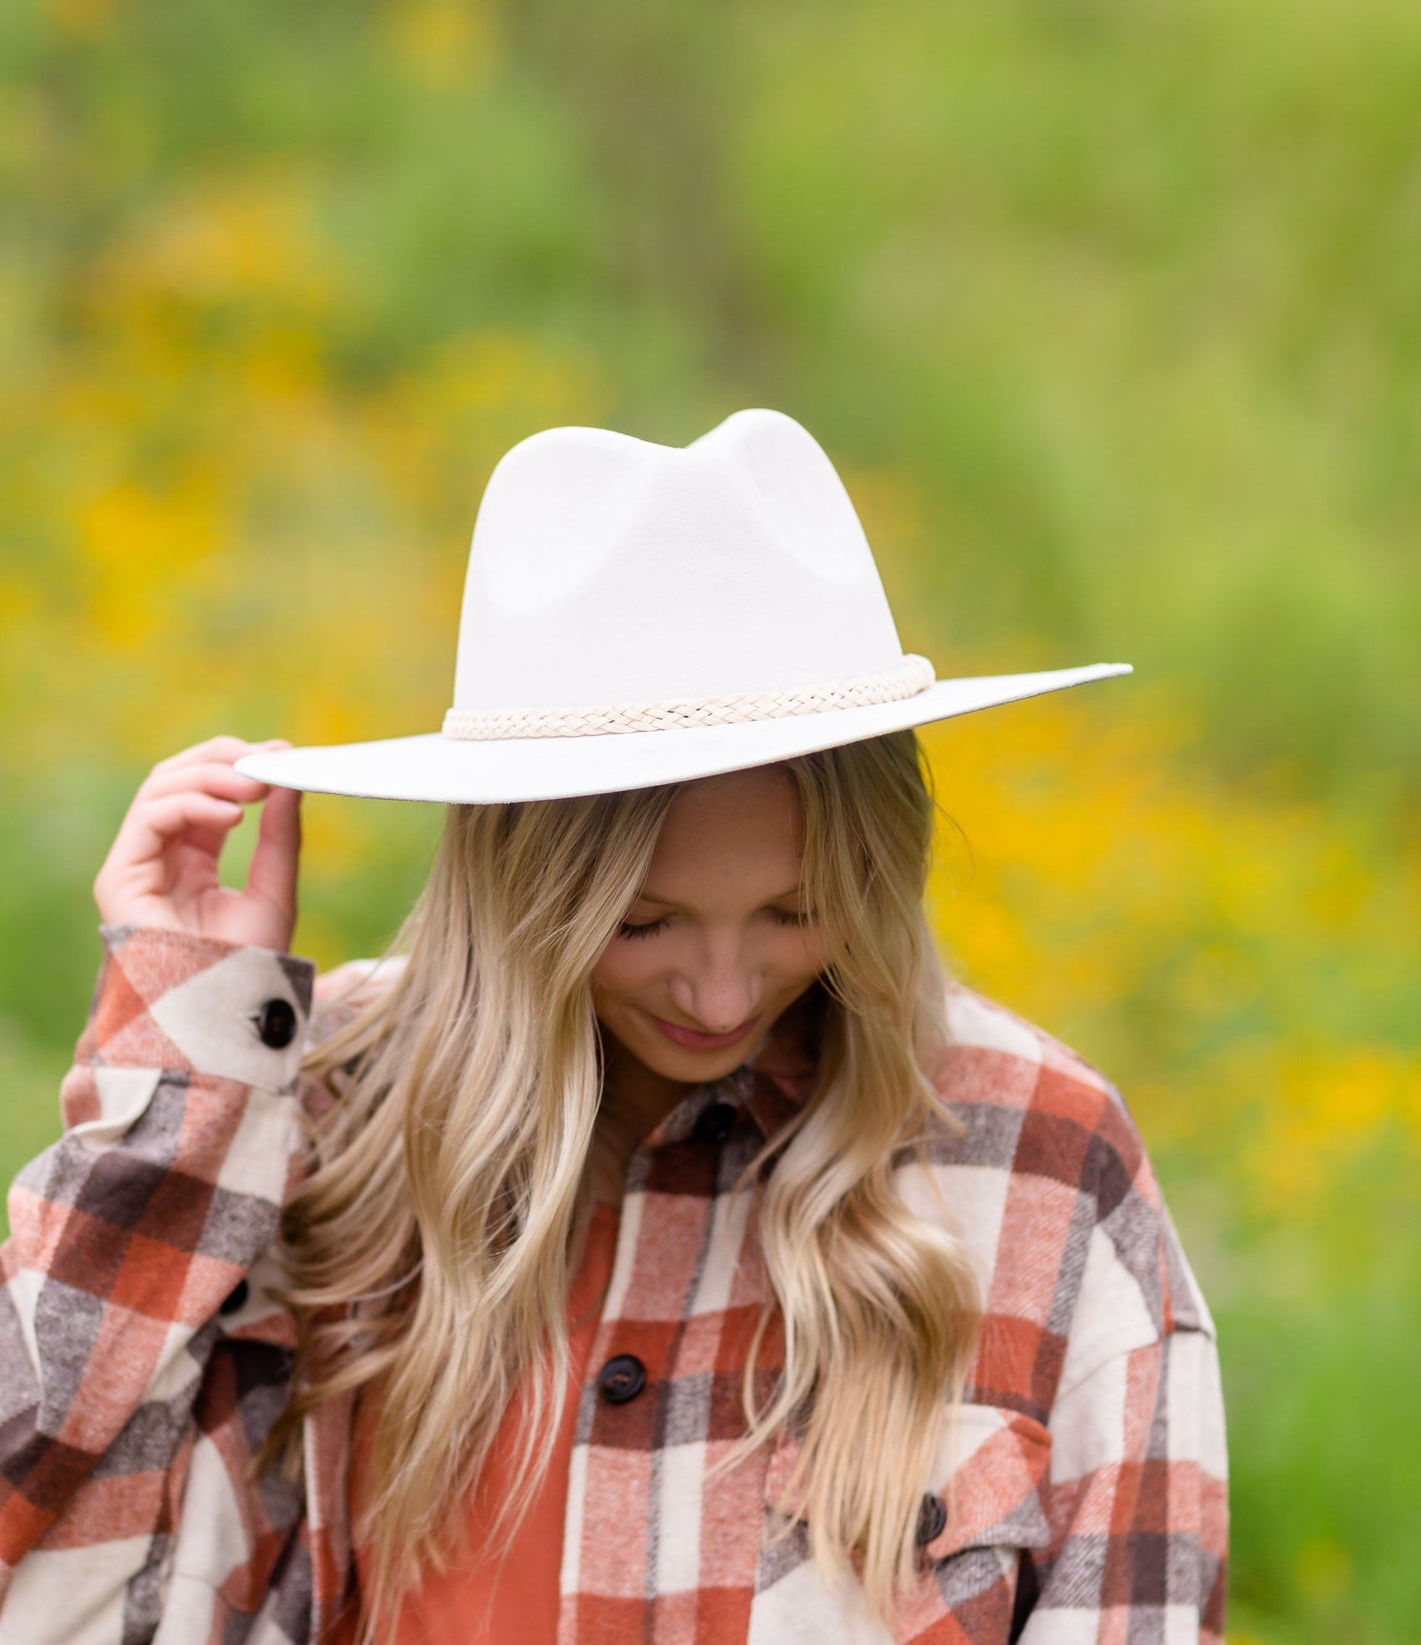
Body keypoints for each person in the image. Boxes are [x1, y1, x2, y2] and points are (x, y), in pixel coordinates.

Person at [0, 408, 1227, 1644]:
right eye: (641, 925)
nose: (720, 993)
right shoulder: (329, 1101)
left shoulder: (1037, 1156)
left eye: (796, 912)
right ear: (517, 891)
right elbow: (40, 1530)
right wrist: (188, 1056)